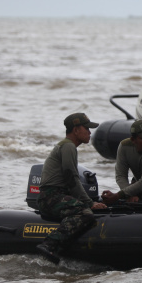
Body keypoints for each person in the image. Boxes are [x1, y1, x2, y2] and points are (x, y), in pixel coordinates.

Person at [35, 113, 108, 264]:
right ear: (76, 130)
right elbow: (71, 178)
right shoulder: (68, 146)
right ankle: (49, 244)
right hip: (51, 197)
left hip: (52, 196)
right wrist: (89, 203)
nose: (89, 132)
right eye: (86, 128)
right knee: (84, 213)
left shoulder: (67, 146)